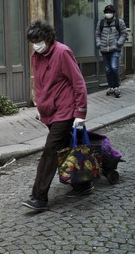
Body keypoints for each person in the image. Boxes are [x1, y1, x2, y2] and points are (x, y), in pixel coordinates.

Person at [22, 20, 91, 212]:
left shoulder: (62, 52)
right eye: (33, 41)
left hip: (65, 110)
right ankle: (83, 184)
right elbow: (41, 84)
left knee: (50, 150)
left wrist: (80, 113)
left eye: (39, 39)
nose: (36, 44)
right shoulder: (36, 57)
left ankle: (39, 197)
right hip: (49, 112)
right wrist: (41, 106)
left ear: (48, 37)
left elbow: (78, 83)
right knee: (67, 147)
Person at [95, 4, 127, 98]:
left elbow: (124, 34)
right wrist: (99, 44)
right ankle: (111, 86)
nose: (108, 13)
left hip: (115, 49)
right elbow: (97, 35)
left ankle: (116, 87)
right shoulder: (100, 23)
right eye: (106, 12)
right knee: (108, 70)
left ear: (113, 13)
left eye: (110, 12)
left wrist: (118, 43)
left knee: (114, 67)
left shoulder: (119, 22)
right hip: (104, 50)